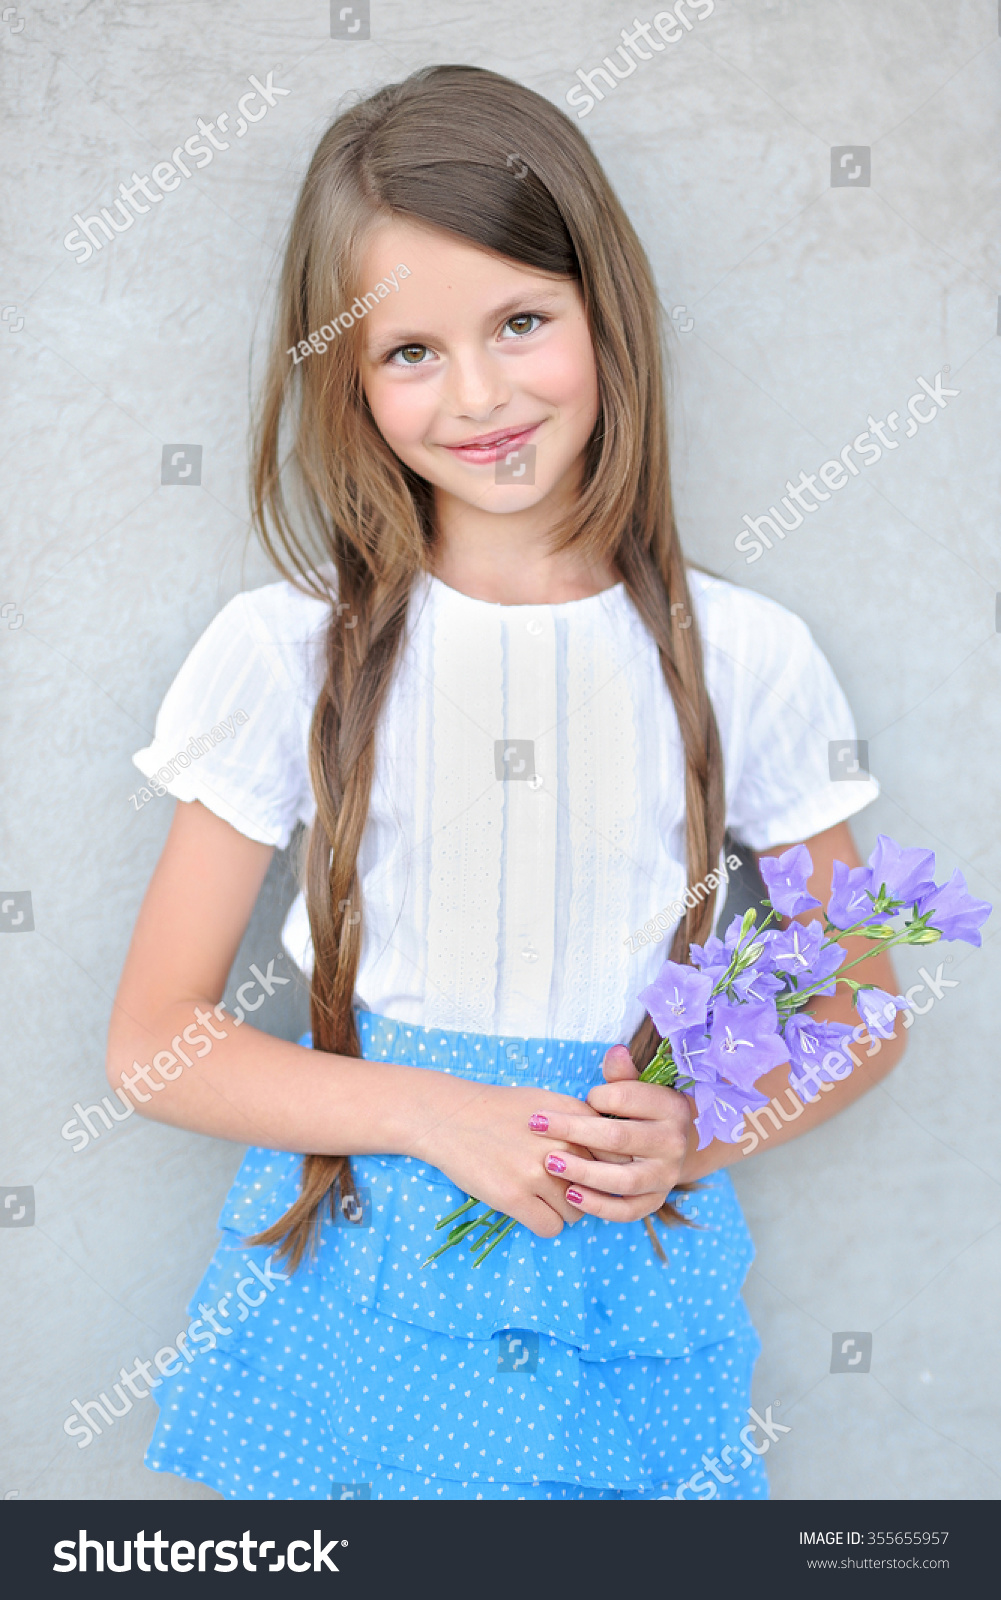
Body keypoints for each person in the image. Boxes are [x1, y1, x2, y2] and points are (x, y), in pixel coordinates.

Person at [108, 64, 904, 1501]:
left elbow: (859, 996)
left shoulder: (749, 657)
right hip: (355, 1283)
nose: (476, 395)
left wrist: (702, 1130)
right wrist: (429, 1111)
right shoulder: (282, 652)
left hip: (624, 1280)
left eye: (521, 323)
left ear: (606, 315)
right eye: (409, 350)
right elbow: (152, 1043)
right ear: (343, 374)